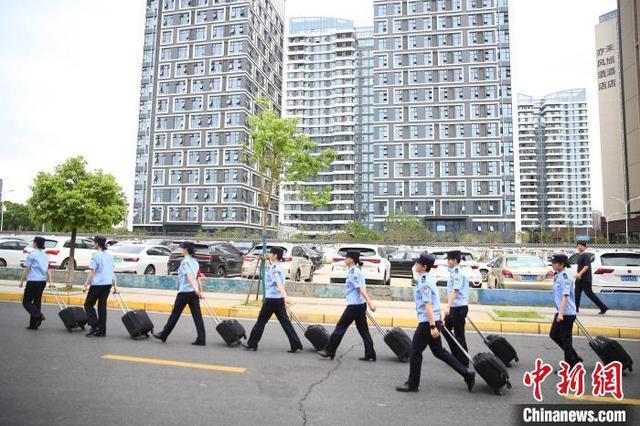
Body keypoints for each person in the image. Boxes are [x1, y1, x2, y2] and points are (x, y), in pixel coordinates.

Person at [396, 254, 475, 393]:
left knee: (415, 352)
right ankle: (467, 374)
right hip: (433, 320)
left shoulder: (424, 281)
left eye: (417, 263)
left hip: (427, 323)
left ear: (424, 266)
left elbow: (428, 305)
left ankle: (413, 384)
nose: (415, 265)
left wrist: (433, 326)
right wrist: (438, 320)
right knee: (439, 352)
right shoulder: (425, 279)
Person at [318, 250, 377, 361]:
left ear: (352, 259)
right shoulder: (353, 270)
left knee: (340, 328)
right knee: (363, 330)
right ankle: (370, 353)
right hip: (359, 305)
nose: (345, 259)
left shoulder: (354, 272)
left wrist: (370, 302)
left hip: (354, 307)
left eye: (347, 257)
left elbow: (360, 288)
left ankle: (330, 351)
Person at [242, 247, 303, 352]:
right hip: (278, 300)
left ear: (275, 255)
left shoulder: (274, 269)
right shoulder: (277, 266)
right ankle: (296, 344)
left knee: (261, 322)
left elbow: (278, 283)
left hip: (271, 300)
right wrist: (267, 259)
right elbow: (273, 270)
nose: (269, 254)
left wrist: (286, 297)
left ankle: (252, 344)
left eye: (271, 253)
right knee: (286, 323)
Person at [153, 242, 206, 345]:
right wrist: (200, 291)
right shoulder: (195, 262)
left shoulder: (184, 262)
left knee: (175, 314)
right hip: (194, 294)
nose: (181, 250)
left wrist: (196, 290)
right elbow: (198, 278)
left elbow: (190, 276)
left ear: (186, 250)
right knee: (197, 316)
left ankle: (164, 334)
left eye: (182, 249)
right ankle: (201, 339)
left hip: (185, 292)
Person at [549, 254, 583, 367]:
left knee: (566, 339)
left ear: (562, 264)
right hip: (561, 312)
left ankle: (570, 365)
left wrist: (561, 314)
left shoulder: (565, 277)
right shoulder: (559, 275)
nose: (552, 264)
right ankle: (573, 357)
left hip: (566, 314)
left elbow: (565, 295)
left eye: (554, 263)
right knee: (554, 335)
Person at [83, 236, 119, 337]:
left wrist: (86, 283)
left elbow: (92, 271)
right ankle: (102, 330)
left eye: (94, 243)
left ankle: (94, 326)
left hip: (98, 284)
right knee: (102, 307)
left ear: (98, 244)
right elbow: (112, 272)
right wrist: (115, 286)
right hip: (107, 284)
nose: (94, 244)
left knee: (88, 304)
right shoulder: (109, 256)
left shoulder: (95, 256)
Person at [442, 250, 470, 368]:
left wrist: (447, 306)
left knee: (459, 334)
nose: (447, 261)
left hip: (458, 308)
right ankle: (456, 354)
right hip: (455, 307)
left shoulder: (458, 273)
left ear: (454, 260)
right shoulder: (453, 272)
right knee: (445, 329)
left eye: (449, 259)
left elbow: (455, 290)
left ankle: (463, 361)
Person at [19, 236, 54, 330]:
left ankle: (38, 315)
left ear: (35, 243)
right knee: (37, 302)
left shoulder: (32, 254)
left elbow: (27, 269)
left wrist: (22, 281)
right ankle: (33, 324)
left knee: (26, 302)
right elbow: (48, 269)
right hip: (42, 281)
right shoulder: (46, 255)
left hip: (33, 281)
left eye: (34, 242)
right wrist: (50, 282)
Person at [574, 241, 607, 314]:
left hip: (585, 279)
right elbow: (580, 267)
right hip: (579, 279)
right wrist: (578, 274)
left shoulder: (586, 256)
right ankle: (575, 308)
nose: (580, 247)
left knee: (590, 294)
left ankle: (603, 307)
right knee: (576, 293)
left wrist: (579, 273)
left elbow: (586, 266)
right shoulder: (579, 255)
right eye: (578, 246)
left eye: (581, 246)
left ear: (585, 247)